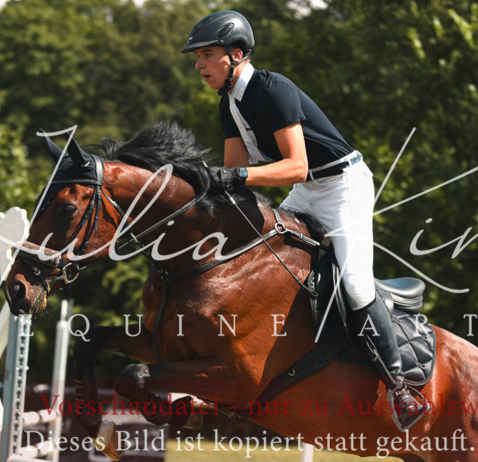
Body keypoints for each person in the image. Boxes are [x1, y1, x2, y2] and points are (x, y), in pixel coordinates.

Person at [182, 9, 426, 430]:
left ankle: (401, 388)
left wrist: (235, 175)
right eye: (198, 57)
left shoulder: (273, 89)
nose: (199, 64)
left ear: (236, 54)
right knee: (255, 250)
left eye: (207, 54)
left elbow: (294, 166)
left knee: (354, 283)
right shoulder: (229, 105)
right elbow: (234, 181)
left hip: (342, 186)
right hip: (309, 190)